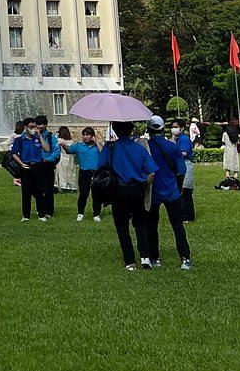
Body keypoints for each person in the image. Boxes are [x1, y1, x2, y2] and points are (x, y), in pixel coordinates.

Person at [103, 121, 158, 271]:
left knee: (122, 227)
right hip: (137, 189)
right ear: (131, 130)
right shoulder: (139, 148)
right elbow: (151, 171)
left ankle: (129, 261)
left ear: (114, 129)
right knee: (140, 224)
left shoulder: (110, 147)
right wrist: (145, 187)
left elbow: (100, 166)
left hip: (118, 190)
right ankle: (145, 257)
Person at [145, 116, 192, 270]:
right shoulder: (172, 146)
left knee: (152, 225)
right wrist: (179, 187)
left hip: (153, 190)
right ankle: (185, 258)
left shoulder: (145, 147)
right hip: (171, 189)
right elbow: (181, 170)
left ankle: (154, 257)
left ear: (148, 129)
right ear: (163, 128)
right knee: (178, 225)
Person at [10, 118, 49, 222]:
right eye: (31, 127)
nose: (33, 129)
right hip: (26, 166)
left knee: (40, 191)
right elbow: (14, 153)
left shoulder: (37, 138)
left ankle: (42, 214)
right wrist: (21, 164)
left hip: (38, 165)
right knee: (26, 192)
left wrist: (40, 136)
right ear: (25, 127)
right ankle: (26, 215)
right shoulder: (20, 140)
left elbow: (47, 149)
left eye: (34, 127)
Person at [63, 127, 103, 222]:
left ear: (92, 136)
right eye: (84, 134)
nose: (85, 137)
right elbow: (69, 151)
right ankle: (80, 213)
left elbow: (102, 153)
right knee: (83, 194)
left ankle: (96, 214)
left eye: (88, 135)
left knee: (96, 195)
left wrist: (97, 142)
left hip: (96, 172)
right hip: (84, 172)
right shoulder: (79, 145)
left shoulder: (97, 146)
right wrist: (63, 145)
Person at [171, 121, 196, 222]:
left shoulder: (184, 139)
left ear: (181, 128)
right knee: (182, 191)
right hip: (180, 165)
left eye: (175, 127)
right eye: (172, 127)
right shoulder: (178, 139)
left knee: (185, 192)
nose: (173, 129)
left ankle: (187, 216)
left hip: (185, 165)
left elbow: (184, 153)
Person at [35, 116, 60, 216]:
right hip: (36, 164)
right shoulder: (33, 136)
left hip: (47, 165)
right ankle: (40, 208)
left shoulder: (50, 137)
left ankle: (49, 210)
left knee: (48, 189)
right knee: (38, 189)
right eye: (37, 124)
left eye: (41, 124)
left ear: (46, 125)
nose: (39, 126)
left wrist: (48, 159)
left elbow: (56, 151)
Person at [54, 127, 76, 193]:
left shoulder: (59, 140)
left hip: (62, 157)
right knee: (70, 172)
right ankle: (70, 186)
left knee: (61, 172)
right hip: (70, 158)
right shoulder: (71, 141)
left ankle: (63, 186)